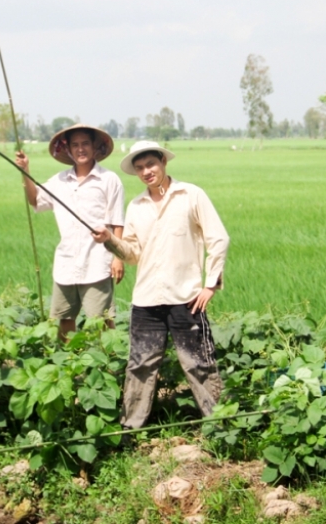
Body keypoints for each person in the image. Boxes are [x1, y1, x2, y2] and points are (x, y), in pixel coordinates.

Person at [91, 140, 229, 429]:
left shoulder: (191, 195)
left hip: (187, 298)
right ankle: (130, 429)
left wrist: (210, 285)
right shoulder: (136, 206)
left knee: (199, 364)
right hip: (147, 301)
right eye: (140, 168)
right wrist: (110, 241)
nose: (146, 172)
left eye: (151, 164)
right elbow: (132, 254)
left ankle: (220, 426)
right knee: (140, 367)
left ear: (163, 162)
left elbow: (218, 238)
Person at [16, 124, 125, 340]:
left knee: (101, 321)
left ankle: (109, 359)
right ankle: (68, 358)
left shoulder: (109, 179)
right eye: (75, 145)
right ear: (68, 150)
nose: (80, 149)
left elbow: (117, 221)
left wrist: (118, 257)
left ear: (95, 147)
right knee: (64, 318)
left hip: (97, 262)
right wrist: (25, 170)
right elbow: (35, 200)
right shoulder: (59, 181)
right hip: (66, 263)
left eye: (85, 143)